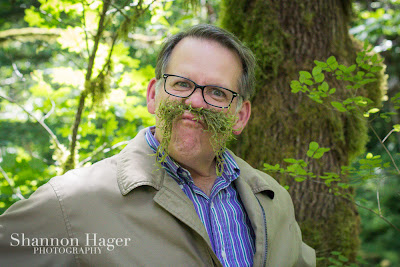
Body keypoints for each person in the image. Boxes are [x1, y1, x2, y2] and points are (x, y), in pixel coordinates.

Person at [0, 24, 315, 266]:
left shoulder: (273, 201)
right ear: (153, 95)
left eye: (217, 93)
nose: (194, 102)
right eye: (181, 84)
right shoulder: (72, 202)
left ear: (240, 115)